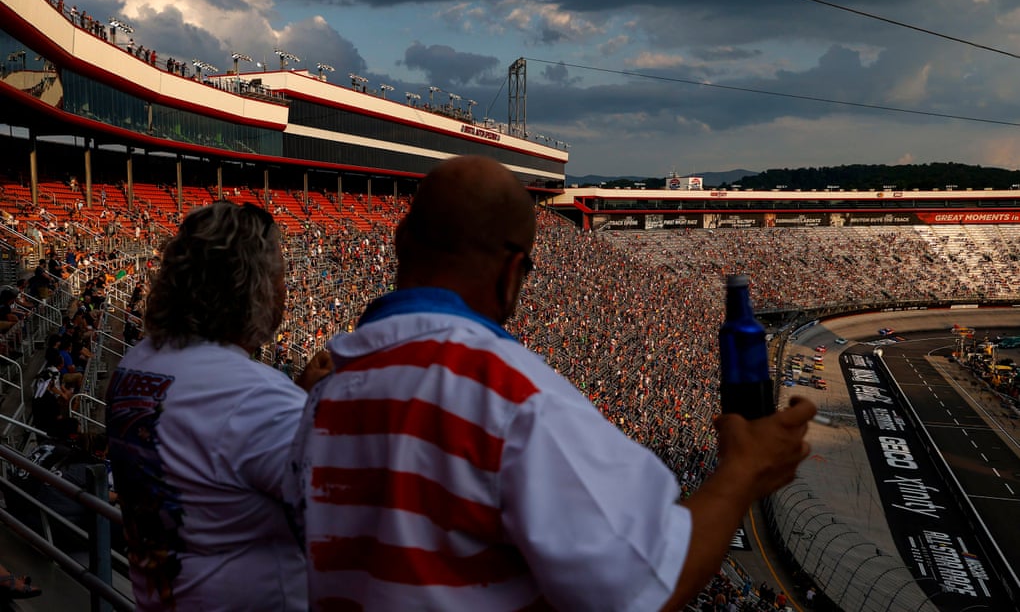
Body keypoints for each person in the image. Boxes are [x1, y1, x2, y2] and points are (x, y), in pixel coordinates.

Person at [287, 156, 816, 611]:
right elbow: (643, 585)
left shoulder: (324, 395)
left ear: (401, 242)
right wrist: (743, 471)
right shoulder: (512, 397)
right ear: (513, 271)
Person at [106, 201, 311, 611]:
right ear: (253, 286)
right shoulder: (259, 399)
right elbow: (345, 527)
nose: (286, 290)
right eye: (280, 275)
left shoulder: (137, 361)